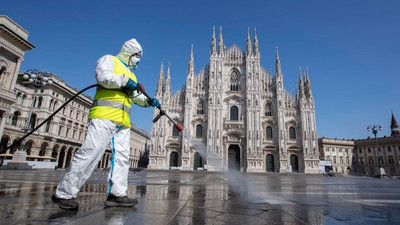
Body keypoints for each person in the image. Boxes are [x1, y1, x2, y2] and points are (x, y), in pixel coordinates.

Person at [52, 39, 160, 210]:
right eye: (137, 55)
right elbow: (102, 77)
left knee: (122, 159)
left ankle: (117, 194)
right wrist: (124, 81)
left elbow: (134, 96)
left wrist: (148, 101)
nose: (138, 59)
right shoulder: (110, 60)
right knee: (90, 153)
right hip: (104, 116)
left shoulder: (131, 74)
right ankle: (64, 193)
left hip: (123, 122)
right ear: (129, 53)